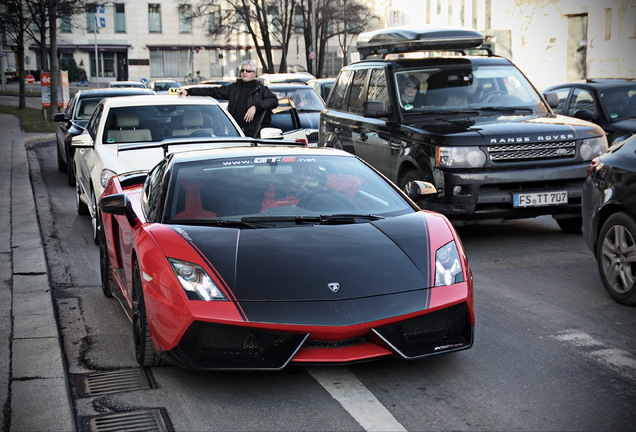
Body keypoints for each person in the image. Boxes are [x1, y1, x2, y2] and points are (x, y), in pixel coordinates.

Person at [177, 60, 278, 137]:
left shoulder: (261, 89)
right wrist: (189, 91)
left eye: (248, 70)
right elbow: (212, 91)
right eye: (242, 70)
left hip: (254, 136)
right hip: (235, 134)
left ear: (254, 74)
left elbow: (273, 100)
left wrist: (255, 107)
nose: (244, 72)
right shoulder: (234, 88)